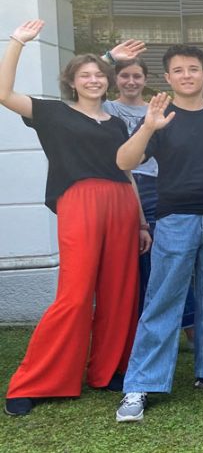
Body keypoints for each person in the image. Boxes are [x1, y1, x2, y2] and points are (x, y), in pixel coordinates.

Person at [2, 21, 148, 417]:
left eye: (100, 75)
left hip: (121, 203)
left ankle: (109, 370)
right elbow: (3, 93)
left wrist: (140, 222)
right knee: (75, 294)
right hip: (79, 201)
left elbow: (127, 171)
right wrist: (17, 41)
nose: (94, 80)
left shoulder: (117, 122)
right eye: (85, 76)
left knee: (120, 292)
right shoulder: (51, 112)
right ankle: (37, 380)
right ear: (71, 82)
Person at [114, 44, 203, 423]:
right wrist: (147, 127)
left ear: (202, 72)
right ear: (168, 77)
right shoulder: (159, 118)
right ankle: (140, 384)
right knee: (163, 300)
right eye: (179, 70)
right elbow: (124, 162)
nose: (187, 75)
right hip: (176, 221)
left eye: (193, 68)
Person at [103, 58, 198, 349]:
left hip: (156, 189)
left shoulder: (157, 109)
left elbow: (196, 91)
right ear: (114, 79)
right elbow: (79, 87)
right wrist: (108, 58)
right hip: (120, 187)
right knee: (129, 268)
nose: (131, 82)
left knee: (166, 263)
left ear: (146, 80)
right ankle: (131, 338)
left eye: (137, 76)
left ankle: (192, 333)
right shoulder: (106, 107)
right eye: (124, 76)